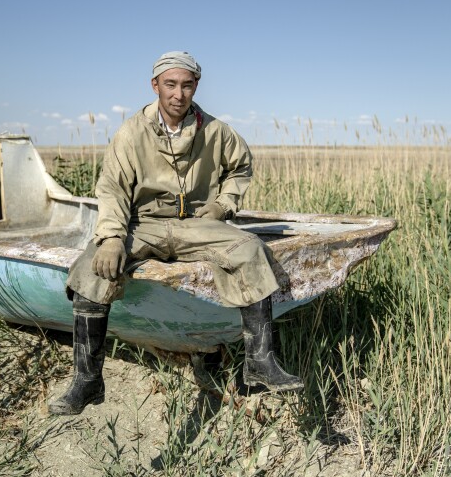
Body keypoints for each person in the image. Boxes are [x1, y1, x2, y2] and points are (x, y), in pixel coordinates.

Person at [48, 51, 303, 416]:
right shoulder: (131, 132)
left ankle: (259, 363)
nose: (178, 94)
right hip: (144, 223)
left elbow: (240, 166)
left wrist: (222, 205)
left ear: (195, 86)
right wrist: (112, 238)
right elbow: (113, 189)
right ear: (155, 86)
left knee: (249, 249)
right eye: (170, 85)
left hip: (197, 223)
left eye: (186, 85)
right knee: (92, 268)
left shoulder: (215, 131)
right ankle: (87, 379)